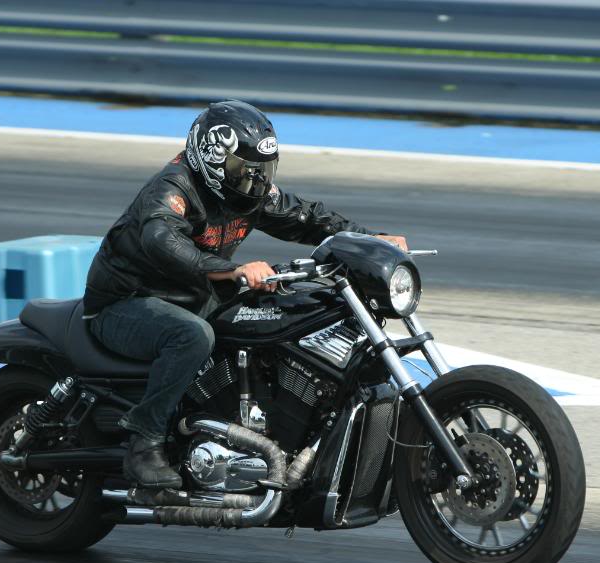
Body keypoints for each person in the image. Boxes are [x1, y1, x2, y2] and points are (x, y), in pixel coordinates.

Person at [83, 100, 407, 489]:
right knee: (192, 336)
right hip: (127, 301)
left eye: (261, 170)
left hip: (194, 295)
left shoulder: (246, 193)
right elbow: (162, 241)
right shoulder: (173, 188)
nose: (255, 180)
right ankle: (144, 442)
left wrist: (370, 240)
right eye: (244, 169)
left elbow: (305, 217)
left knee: (276, 314)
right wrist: (234, 270)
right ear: (212, 159)